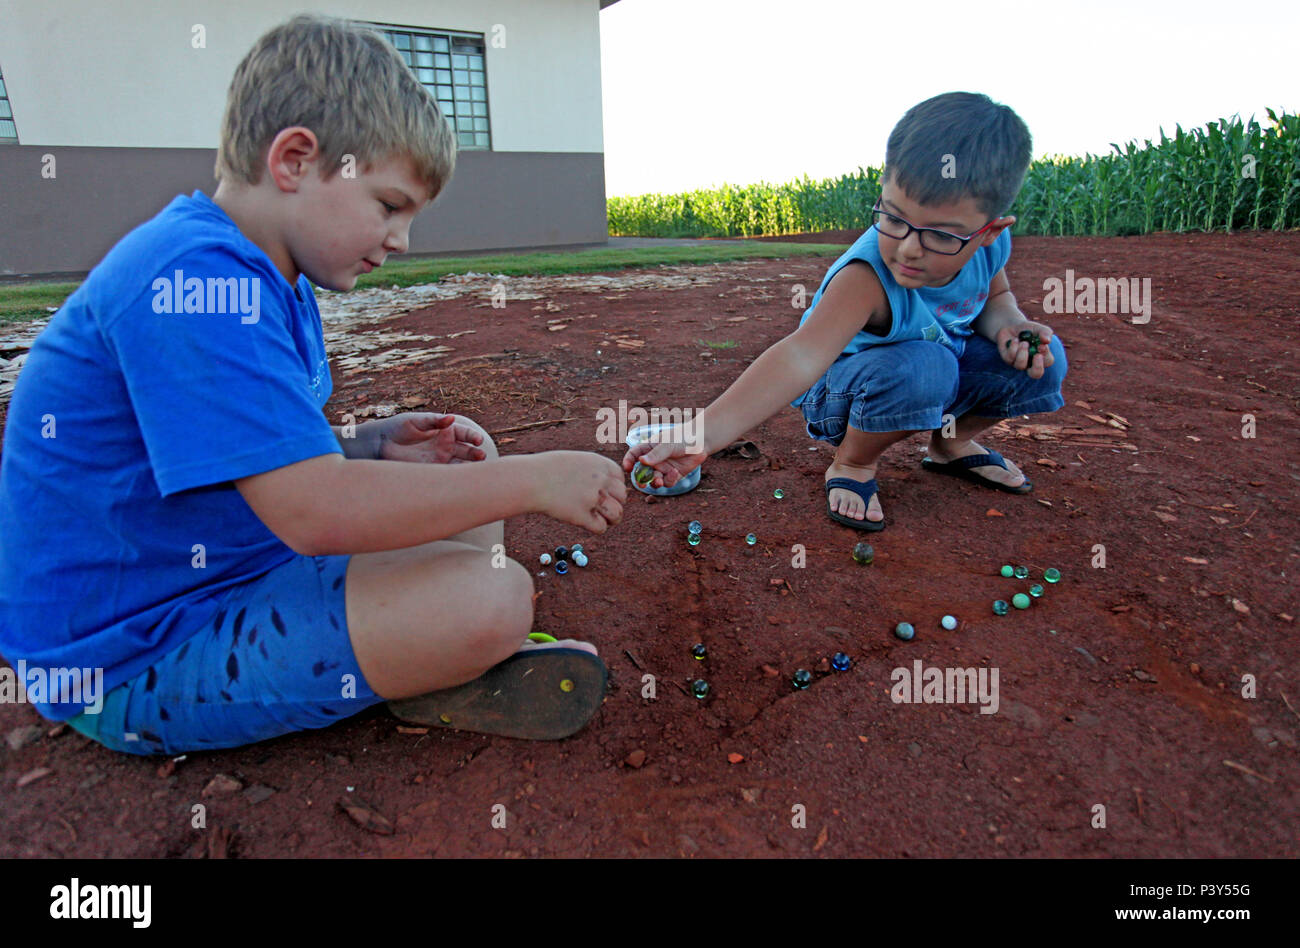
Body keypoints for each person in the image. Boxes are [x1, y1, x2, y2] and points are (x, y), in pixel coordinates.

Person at [0, 14, 625, 755]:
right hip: (131, 654)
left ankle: (428, 651)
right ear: (294, 160)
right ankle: (436, 656)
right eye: (390, 206)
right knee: (493, 596)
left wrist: (361, 445)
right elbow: (310, 512)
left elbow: (232, 452)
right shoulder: (191, 281)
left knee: (465, 451)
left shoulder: (267, 278)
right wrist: (534, 480)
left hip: (224, 572)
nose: (400, 240)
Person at [625, 92, 1066, 531]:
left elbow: (994, 298)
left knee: (1044, 359)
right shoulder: (866, 276)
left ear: (990, 232)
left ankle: (951, 443)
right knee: (925, 366)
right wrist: (703, 433)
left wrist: (1011, 325)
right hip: (842, 395)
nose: (909, 248)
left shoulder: (991, 250)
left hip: (931, 376)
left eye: (941, 236)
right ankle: (852, 463)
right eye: (893, 218)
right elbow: (801, 355)